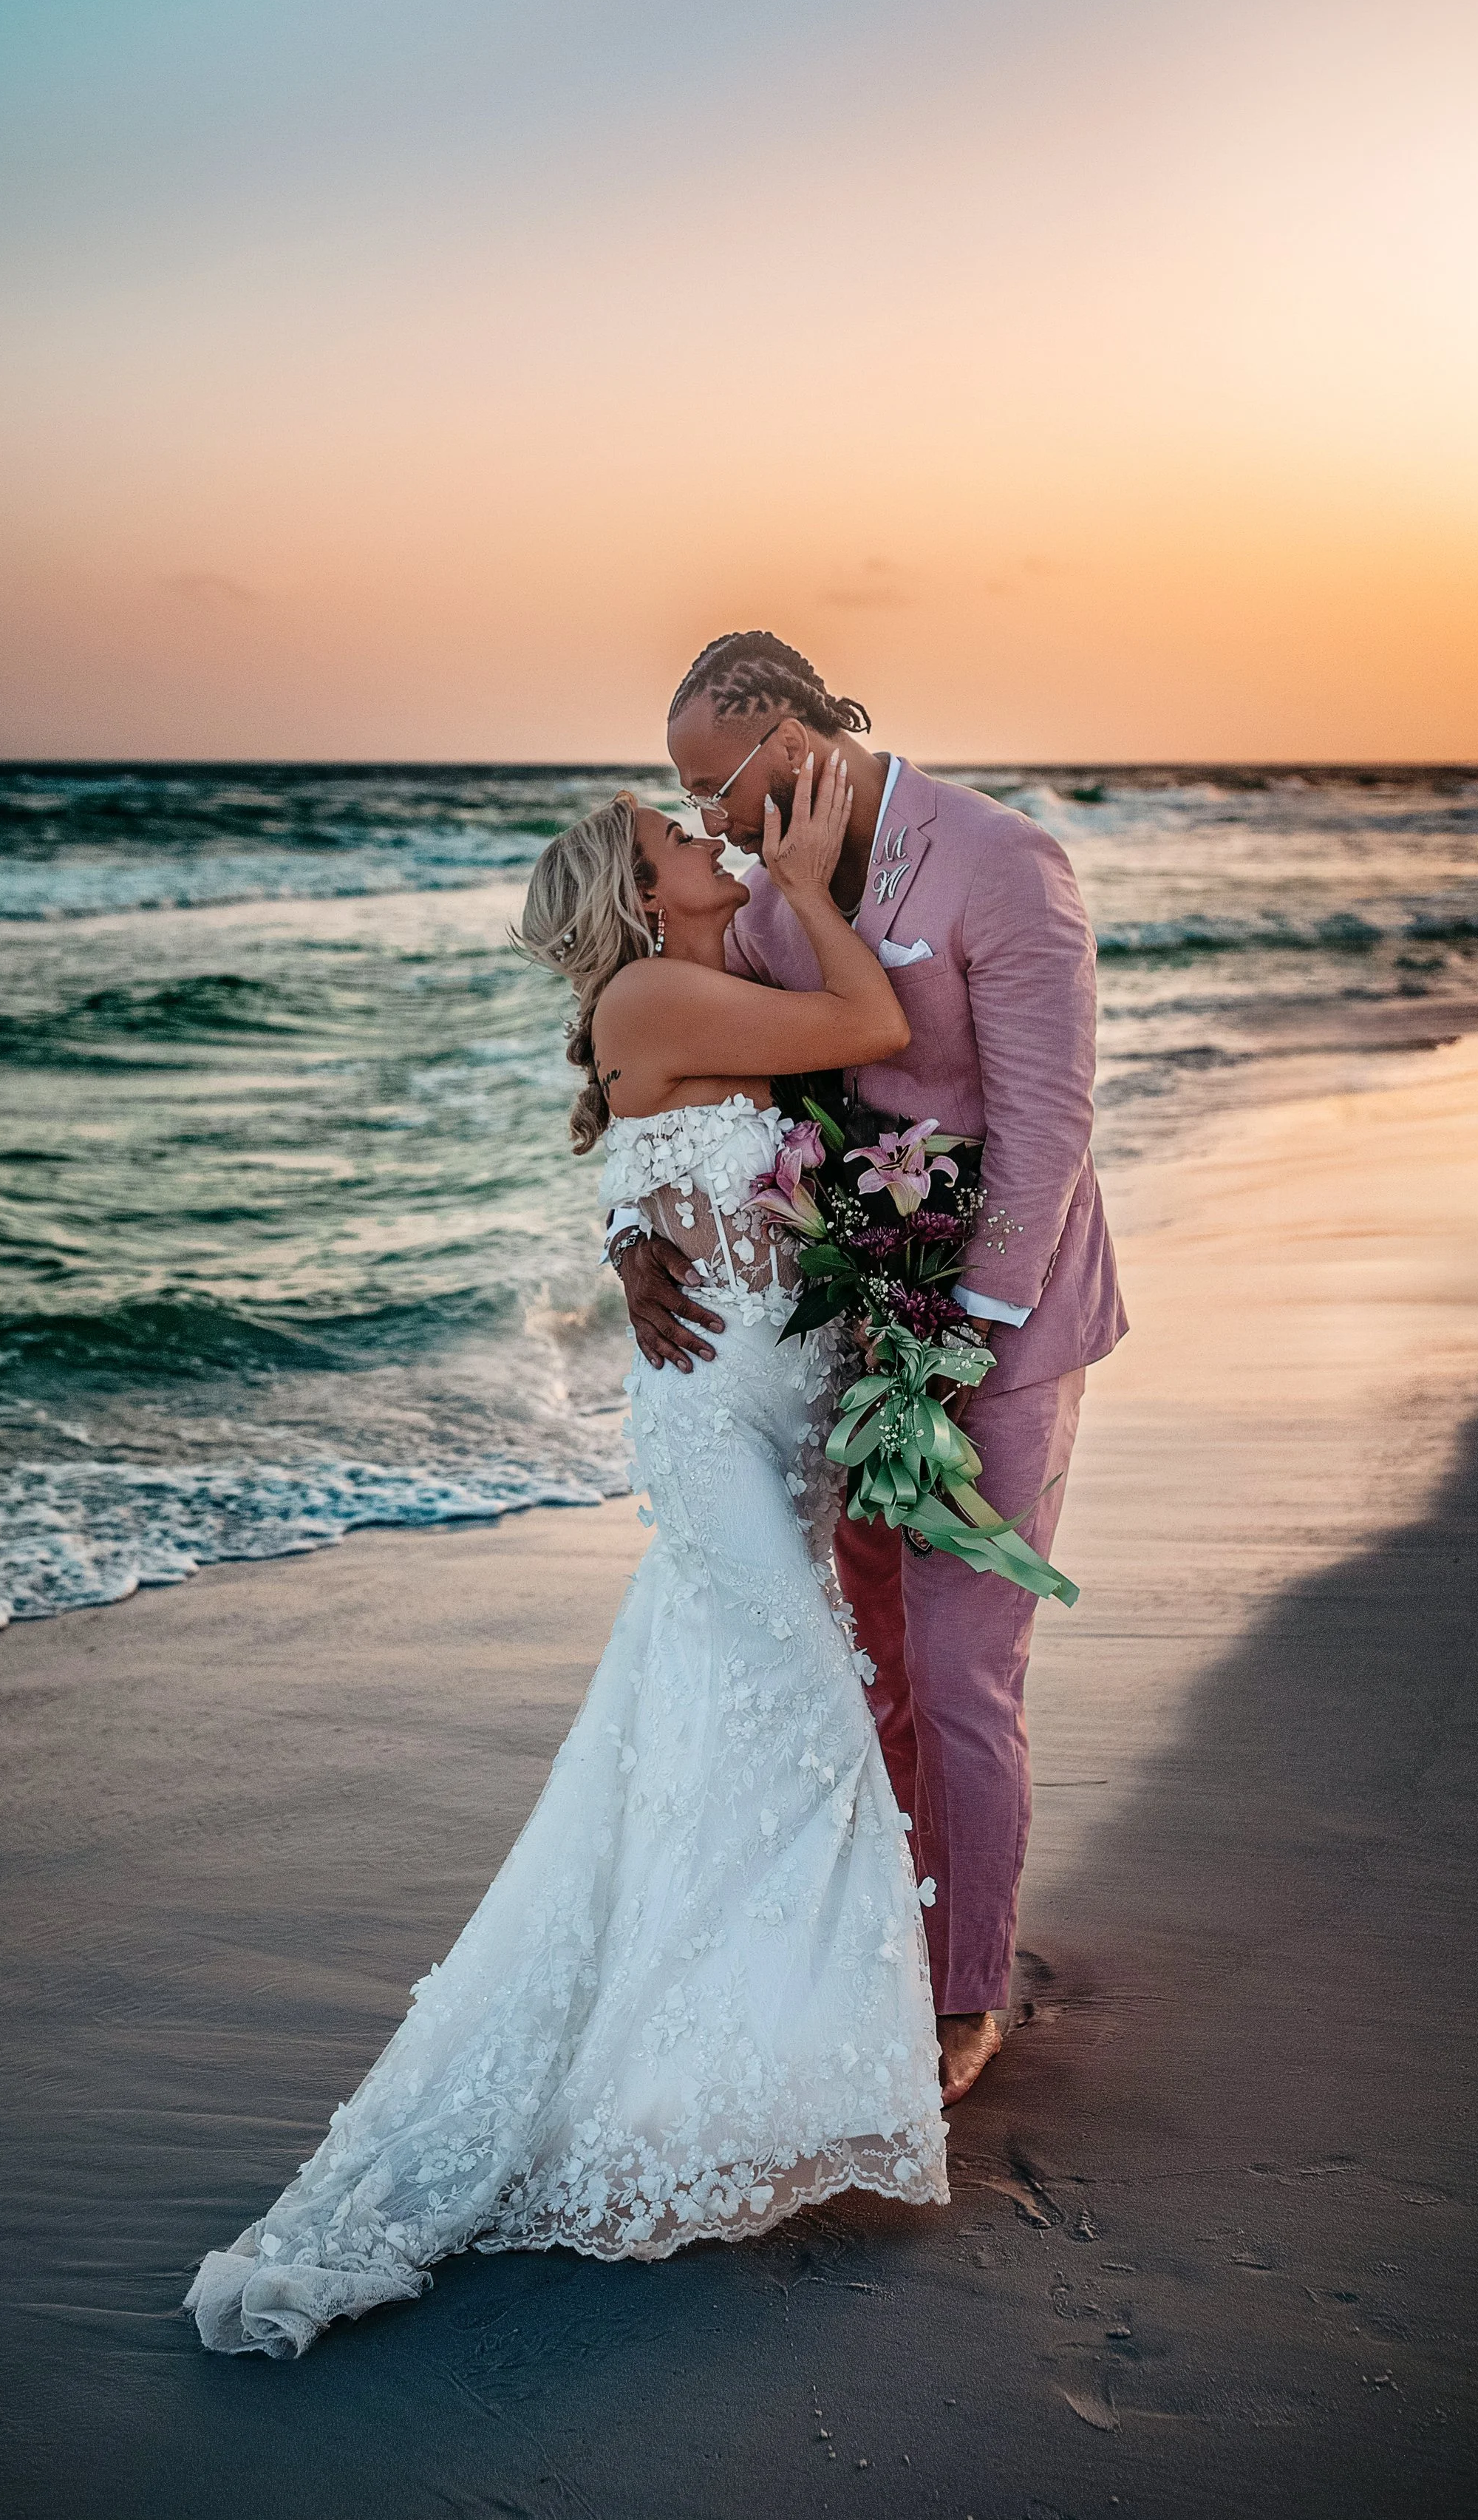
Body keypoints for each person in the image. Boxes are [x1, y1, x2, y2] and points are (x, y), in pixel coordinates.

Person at [185, 753, 948, 2360]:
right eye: (681, 836)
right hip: (707, 1431)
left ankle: (734, 2078)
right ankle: (728, 2096)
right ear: (634, 893)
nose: (709, 839)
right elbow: (869, 1032)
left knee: (702, 1741)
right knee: (802, 1719)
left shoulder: (691, 989)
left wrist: (638, 1234)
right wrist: (808, 881)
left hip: (769, 1412)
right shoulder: (656, 999)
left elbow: (710, 1147)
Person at [610, 632, 1127, 2105]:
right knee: (879, 1662)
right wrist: (640, 1231)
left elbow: (1046, 1119)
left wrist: (963, 1329)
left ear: (789, 730)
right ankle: (895, 1942)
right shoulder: (766, 888)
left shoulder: (996, 859)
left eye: (714, 780)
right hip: (835, 1327)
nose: (703, 815)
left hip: (1000, 1335)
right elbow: (701, 1081)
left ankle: (968, 1998)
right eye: (684, 796)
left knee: (965, 1673)